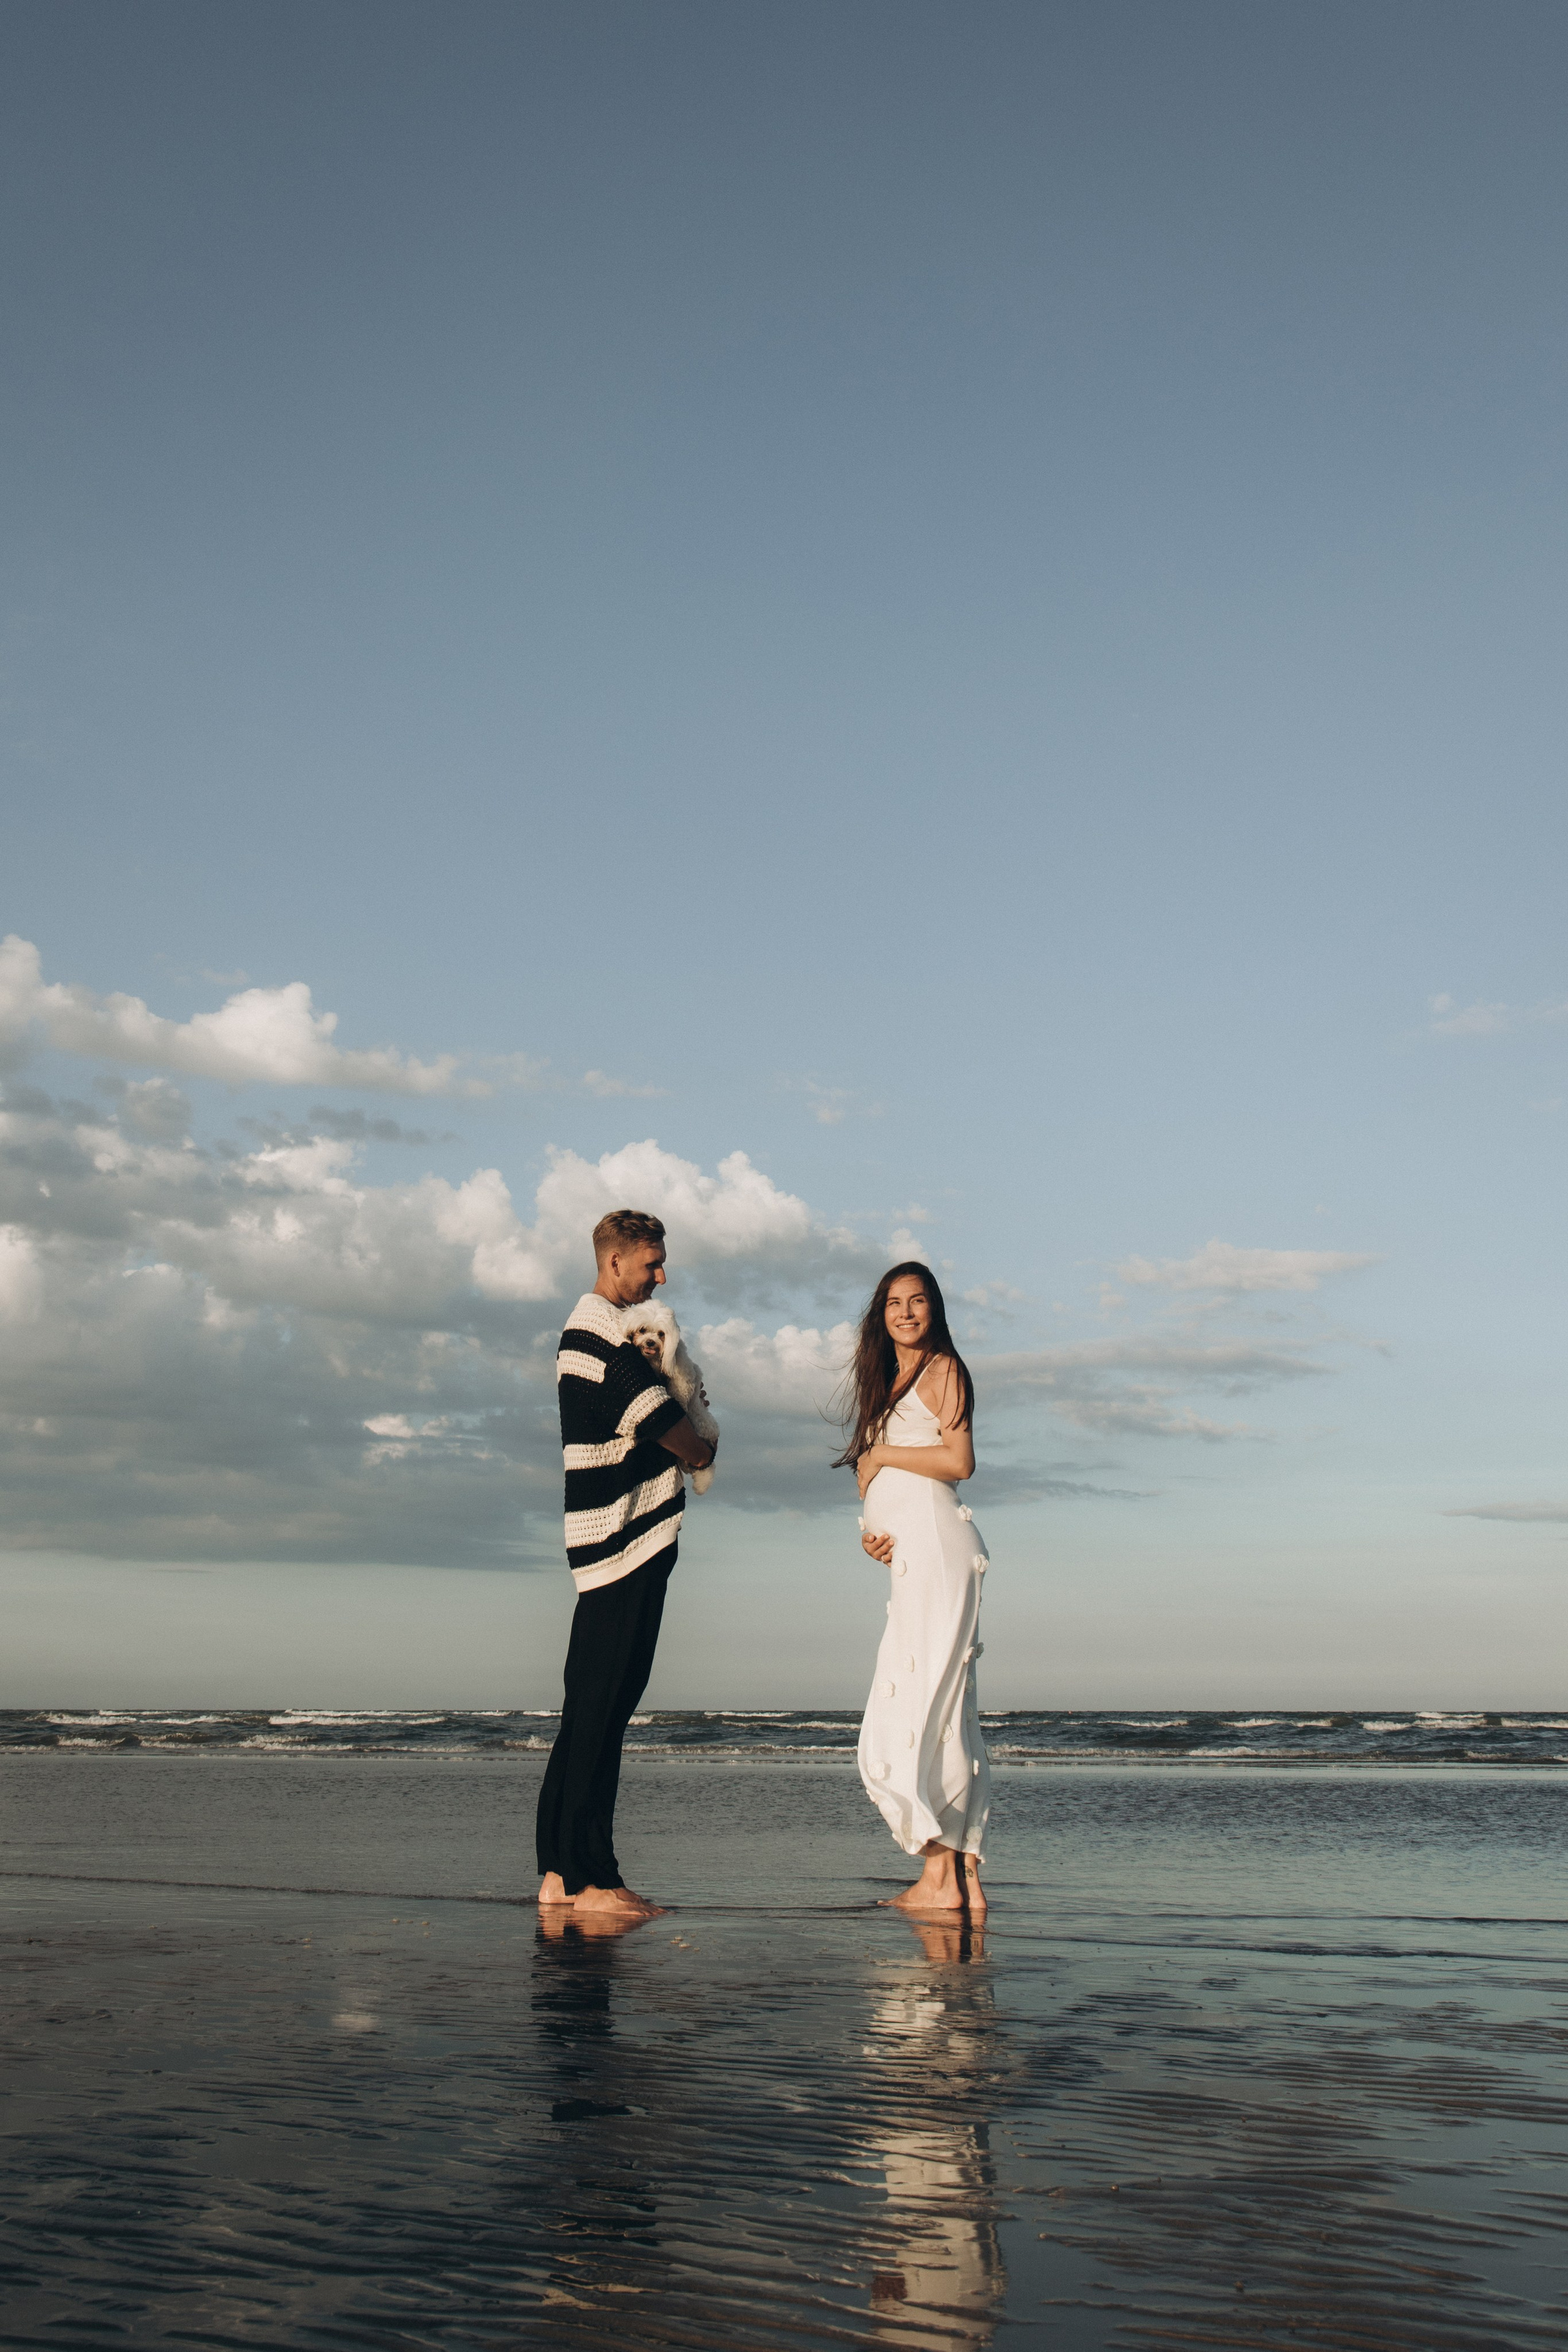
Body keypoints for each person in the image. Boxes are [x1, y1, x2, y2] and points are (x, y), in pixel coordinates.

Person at [536, 1208, 716, 1919]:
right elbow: (680, 1437)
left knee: (587, 1712)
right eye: (652, 1264)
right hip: (623, 1544)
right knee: (604, 1714)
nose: (661, 1276)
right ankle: (593, 1881)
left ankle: (557, 1874)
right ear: (615, 1263)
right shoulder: (604, 1335)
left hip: (607, 1545)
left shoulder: (590, 1334)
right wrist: (699, 1443)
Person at [838, 1262, 990, 1914]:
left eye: (917, 1301)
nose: (905, 1312)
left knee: (923, 1703)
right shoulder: (885, 1382)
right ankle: (960, 1881)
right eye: (894, 1303)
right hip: (910, 1556)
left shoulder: (943, 1370)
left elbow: (958, 1462)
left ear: (934, 1309)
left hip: (938, 1549)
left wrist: (881, 1459)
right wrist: (872, 1534)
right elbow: (880, 1483)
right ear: (880, 1316)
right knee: (944, 1708)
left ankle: (939, 1879)